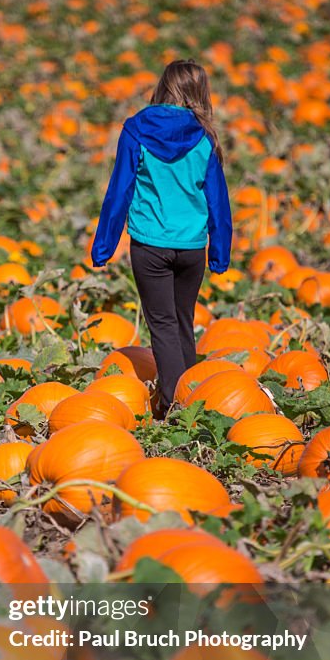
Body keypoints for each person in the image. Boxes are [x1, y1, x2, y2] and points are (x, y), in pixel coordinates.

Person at [90, 59, 232, 421]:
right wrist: (219, 251)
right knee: (183, 322)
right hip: (191, 248)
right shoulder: (205, 137)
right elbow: (218, 199)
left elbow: (119, 191)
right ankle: (193, 399)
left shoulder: (136, 129)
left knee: (163, 325)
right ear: (200, 92)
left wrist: (103, 245)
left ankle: (173, 404)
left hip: (150, 245)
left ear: (163, 86)